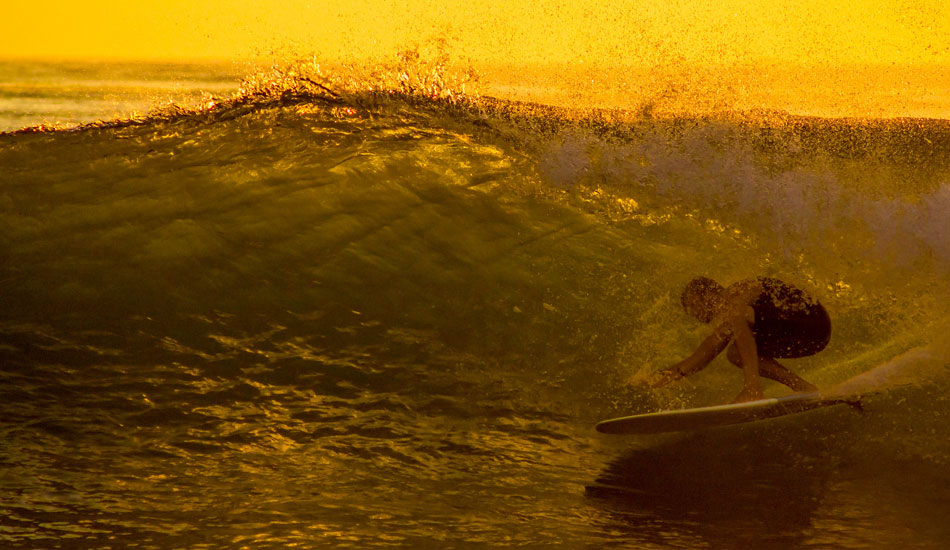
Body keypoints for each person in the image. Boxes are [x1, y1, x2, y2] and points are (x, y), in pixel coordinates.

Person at [649, 276, 831, 403]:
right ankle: (803, 387)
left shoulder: (737, 292)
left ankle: (752, 388)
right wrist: (672, 373)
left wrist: (752, 386)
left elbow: (739, 318)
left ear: (703, 295)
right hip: (808, 339)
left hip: (814, 321)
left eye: (692, 306)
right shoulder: (735, 314)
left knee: (737, 319)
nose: (694, 314)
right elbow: (707, 351)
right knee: (735, 354)